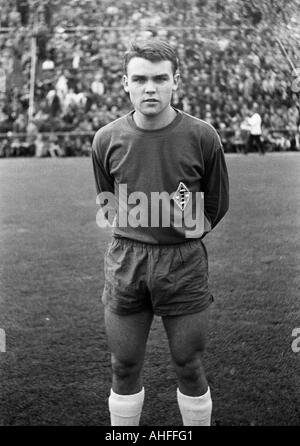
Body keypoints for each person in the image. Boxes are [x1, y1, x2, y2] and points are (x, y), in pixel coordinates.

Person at [92, 39, 229, 426]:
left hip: (182, 262)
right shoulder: (106, 138)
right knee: (123, 366)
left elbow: (215, 204)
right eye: (139, 79)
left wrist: (182, 229)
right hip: (127, 261)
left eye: (159, 78)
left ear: (175, 82)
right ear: (125, 83)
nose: (149, 88)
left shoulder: (203, 137)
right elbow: (108, 200)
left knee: (188, 365)